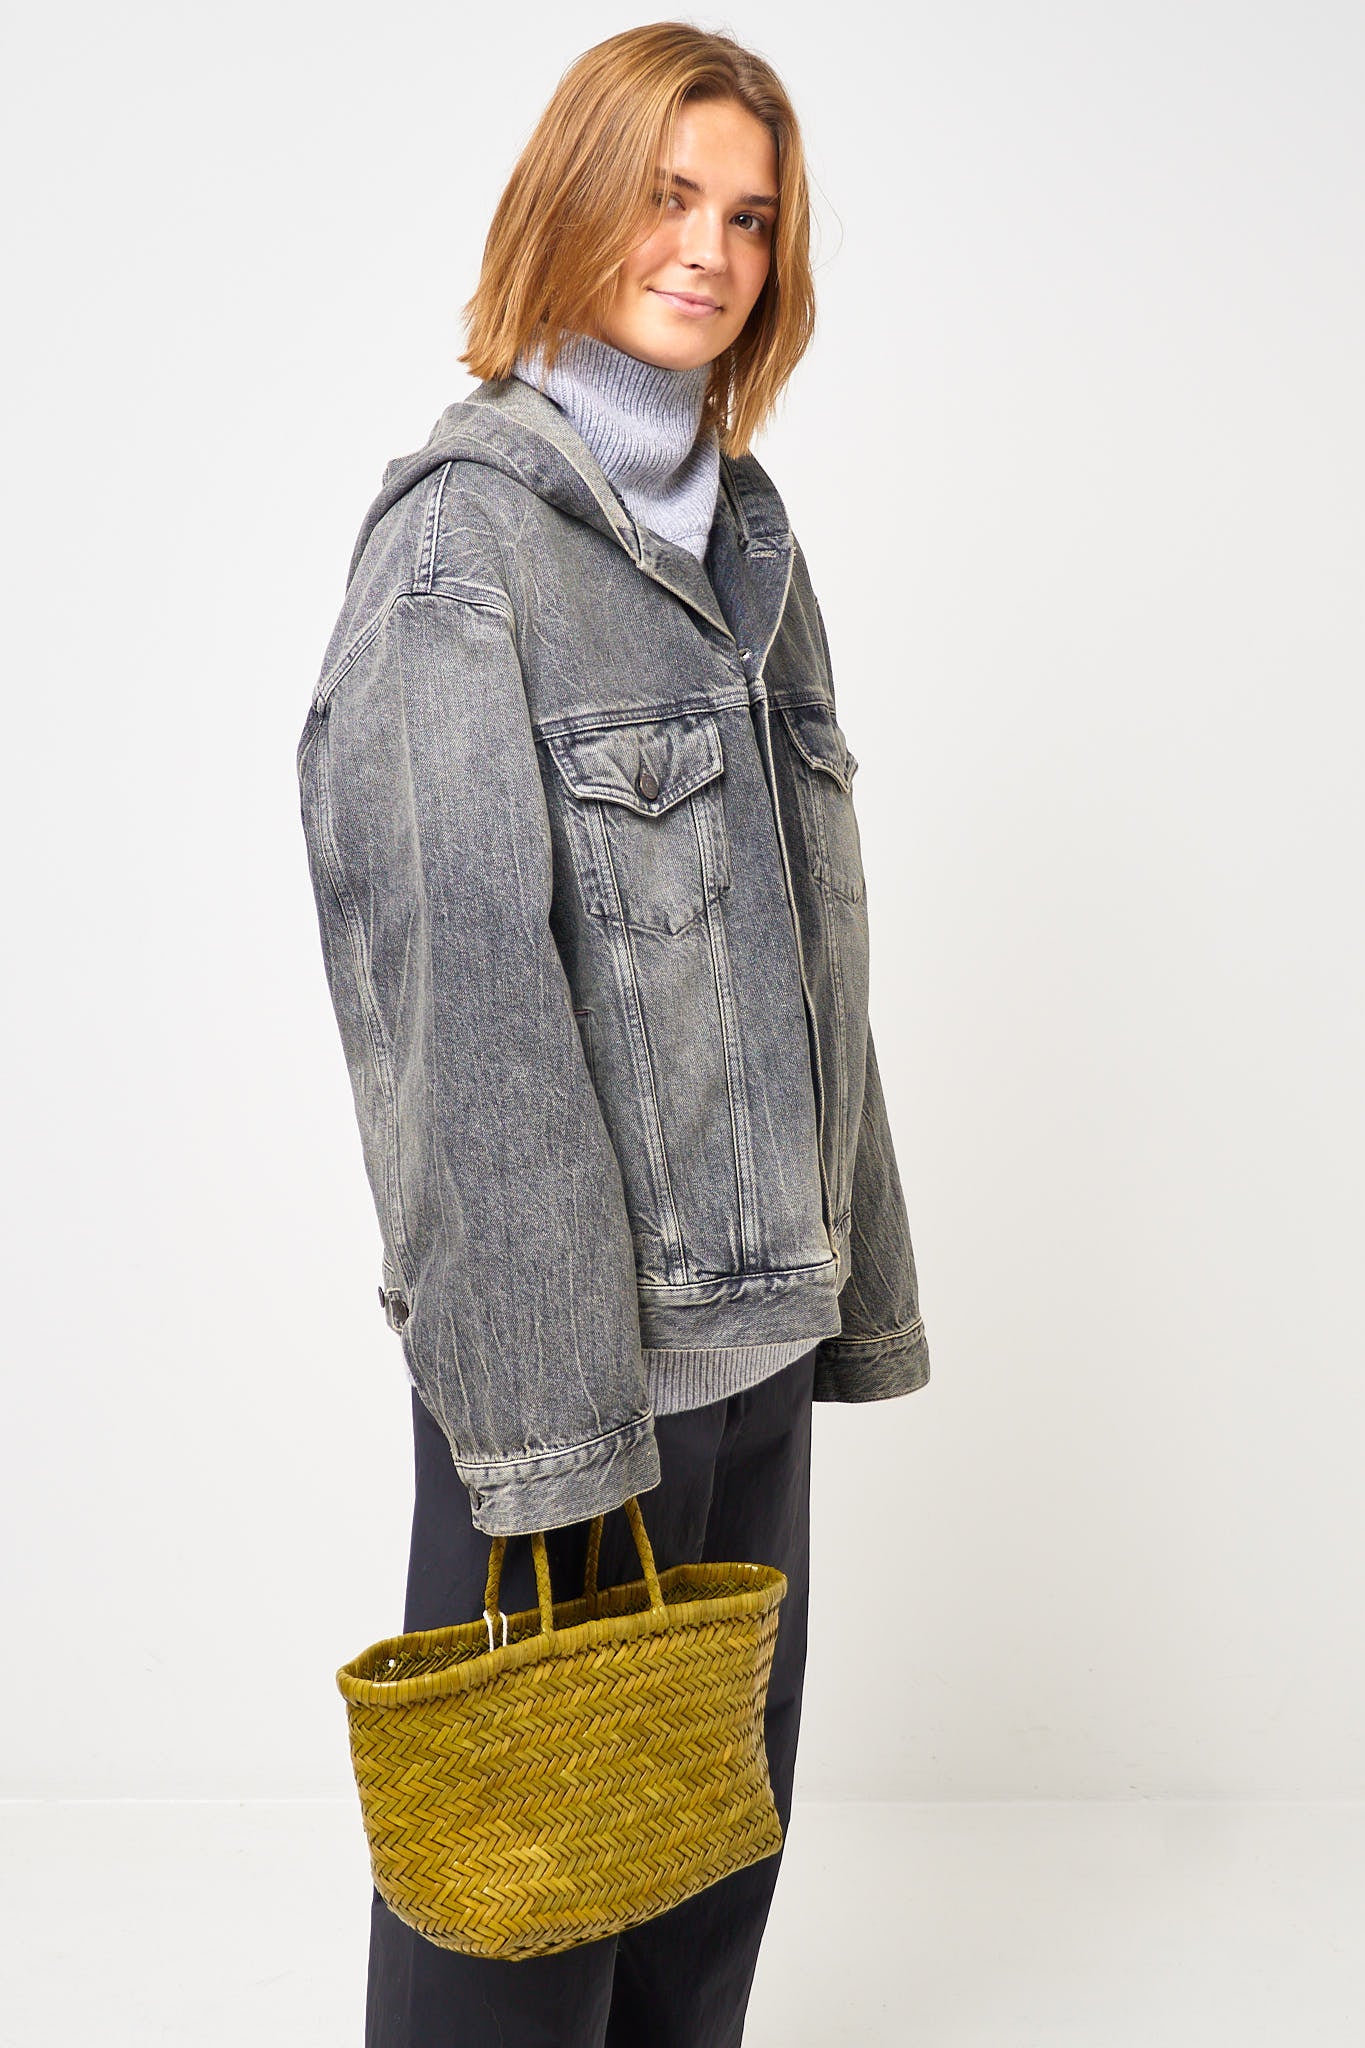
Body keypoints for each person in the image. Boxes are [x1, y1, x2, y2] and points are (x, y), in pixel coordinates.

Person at [296, 21, 932, 2046]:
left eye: (748, 217)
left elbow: (815, 960)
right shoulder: (461, 552)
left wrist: (845, 1296)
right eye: (667, 198)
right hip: (574, 1372)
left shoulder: (752, 548)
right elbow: (456, 1007)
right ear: (571, 204)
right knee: (515, 1939)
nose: (709, 251)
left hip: (757, 1341)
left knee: (692, 1919)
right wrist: (551, 1432)